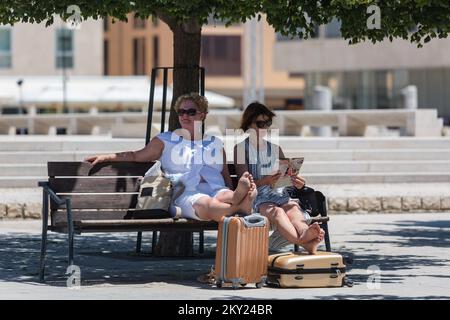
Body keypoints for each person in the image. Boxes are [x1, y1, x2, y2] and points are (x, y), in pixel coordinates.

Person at [85, 93, 257, 222]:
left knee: (224, 194)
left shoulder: (214, 143)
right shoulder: (165, 140)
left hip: (217, 189)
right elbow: (136, 155)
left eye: (191, 111)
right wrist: (107, 157)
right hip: (186, 193)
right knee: (207, 205)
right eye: (181, 112)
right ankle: (240, 205)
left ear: (202, 115)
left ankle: (236, 200)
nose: (184, 116)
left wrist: (230, 189)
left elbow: (225, 176)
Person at [234, 102, 325, 254]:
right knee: (278, 213)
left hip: (280, 194)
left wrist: (296, 181)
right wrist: (266, 181)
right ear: (249, 123)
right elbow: (243, 184)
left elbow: (286, 174)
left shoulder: (276, 149)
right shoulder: (241, 149)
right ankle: (304, 240)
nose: (265, 127)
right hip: (257, 198)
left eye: (267, 123)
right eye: (260, 123)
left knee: (294, 210)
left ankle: (305, 235)